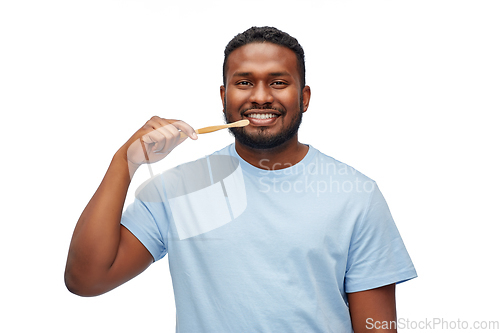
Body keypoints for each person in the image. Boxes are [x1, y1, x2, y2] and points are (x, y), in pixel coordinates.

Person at [65, 26, 417, 332]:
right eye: (244, 82)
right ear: (224, 96)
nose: (261, 96)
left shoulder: (355, 194)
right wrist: (123, 163)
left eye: (278, 82)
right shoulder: (178, 189)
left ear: (304, 98)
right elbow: (86, 280)